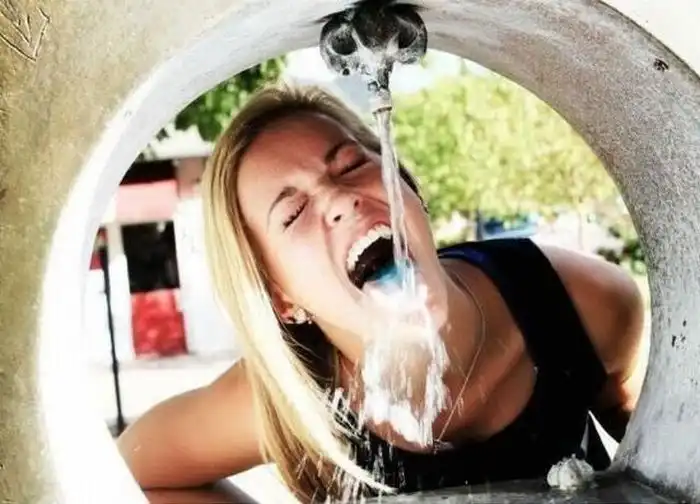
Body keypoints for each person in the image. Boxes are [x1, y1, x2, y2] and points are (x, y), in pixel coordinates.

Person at [117, 82, 647, 502]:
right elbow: (127, 474)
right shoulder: (296, 401)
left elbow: (664, 449)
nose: (339, 200)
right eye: (294, 212)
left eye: (351, 165)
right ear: (282, 299)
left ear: (406, 186)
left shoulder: (581, 304)